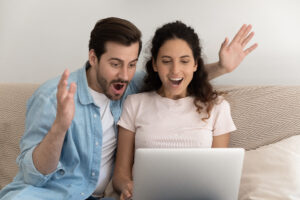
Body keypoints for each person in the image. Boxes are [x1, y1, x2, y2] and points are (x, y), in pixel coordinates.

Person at [0, 17, 257, 200]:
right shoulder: (51, 97)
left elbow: (175, 78)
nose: (124, 74)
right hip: (50, 194)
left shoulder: (129, 85)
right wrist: (60, 127)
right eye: (115, 64)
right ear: (93, 58)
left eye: (132, 64)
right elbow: (32, 176)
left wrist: (221, 68)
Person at [112, 21, 251, 200]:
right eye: (166, 61)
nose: (175, 70)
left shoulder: (217, 107)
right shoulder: (134, 104)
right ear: (154, 64)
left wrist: (222, 67)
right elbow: (120, 176)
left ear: (195, 65)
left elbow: (218, 178)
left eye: (184, 61)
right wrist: (127, 186)